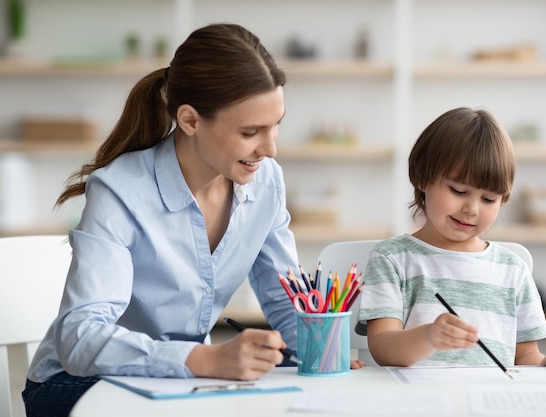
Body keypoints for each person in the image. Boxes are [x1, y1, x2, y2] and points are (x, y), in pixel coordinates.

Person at [23, 23, 366, 417]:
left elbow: (286, 297)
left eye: (276, 126)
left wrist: (318, 348)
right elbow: (80, 339)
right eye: (250, 131)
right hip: (76, 384)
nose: (270, 149)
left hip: (181, 379)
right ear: (190, 121)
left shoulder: (266, 182)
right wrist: (204, 360)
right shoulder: (119, 191)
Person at [358, 107, 546, 370]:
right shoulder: (392, 259)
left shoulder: (512, 269)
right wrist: (429, 336)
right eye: (458, 190)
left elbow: (525, 357)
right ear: (422, 178)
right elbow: (383, 348)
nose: (472, 209)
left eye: (489, 199)